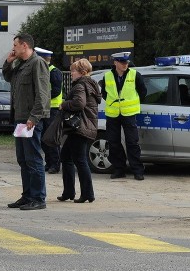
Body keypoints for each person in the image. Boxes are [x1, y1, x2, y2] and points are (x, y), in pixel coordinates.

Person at [2, 33, 50, 210]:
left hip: (31, 120)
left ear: (24, 45)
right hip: (20, 118)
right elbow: (8, 78)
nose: (13, 48)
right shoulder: (21, 64)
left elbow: (43, 94)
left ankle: (38, 198)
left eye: (15, 45)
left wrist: (34, 117)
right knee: (23, 159)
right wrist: (8, 62)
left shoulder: (37, 63)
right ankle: (27, 195)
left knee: (34, 159)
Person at [56, 58, 100, 203]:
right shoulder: (90, 84)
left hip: (80, 127)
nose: (71, 73)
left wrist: (64, 104)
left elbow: (79, 103)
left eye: (73, 71)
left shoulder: (80, 85)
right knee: (67, 157)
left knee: (79, 160)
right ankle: (69, 192)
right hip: (86, 126)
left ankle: (87, 194)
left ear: (82, 72)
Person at [99, 51, 147, 180]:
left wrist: (131, 103)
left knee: (132, 142)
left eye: (126, 62)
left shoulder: (135, 75)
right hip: (112, 113)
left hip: (129, 113)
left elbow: (143, 92)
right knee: (113, 142)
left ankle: (137, 170)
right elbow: (104, 93)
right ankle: (119, 169)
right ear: (115, 63)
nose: (125, 64)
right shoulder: (107, 76)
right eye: (122, 62)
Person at [36, 47, 63, 174]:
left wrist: (42, 98)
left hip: (53, 109)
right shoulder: (42, 70)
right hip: (43, 108)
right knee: (43, 138)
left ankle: (55, 164)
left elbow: (56, 91)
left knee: (51, 138)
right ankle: (48, 162)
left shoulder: (54, 72)